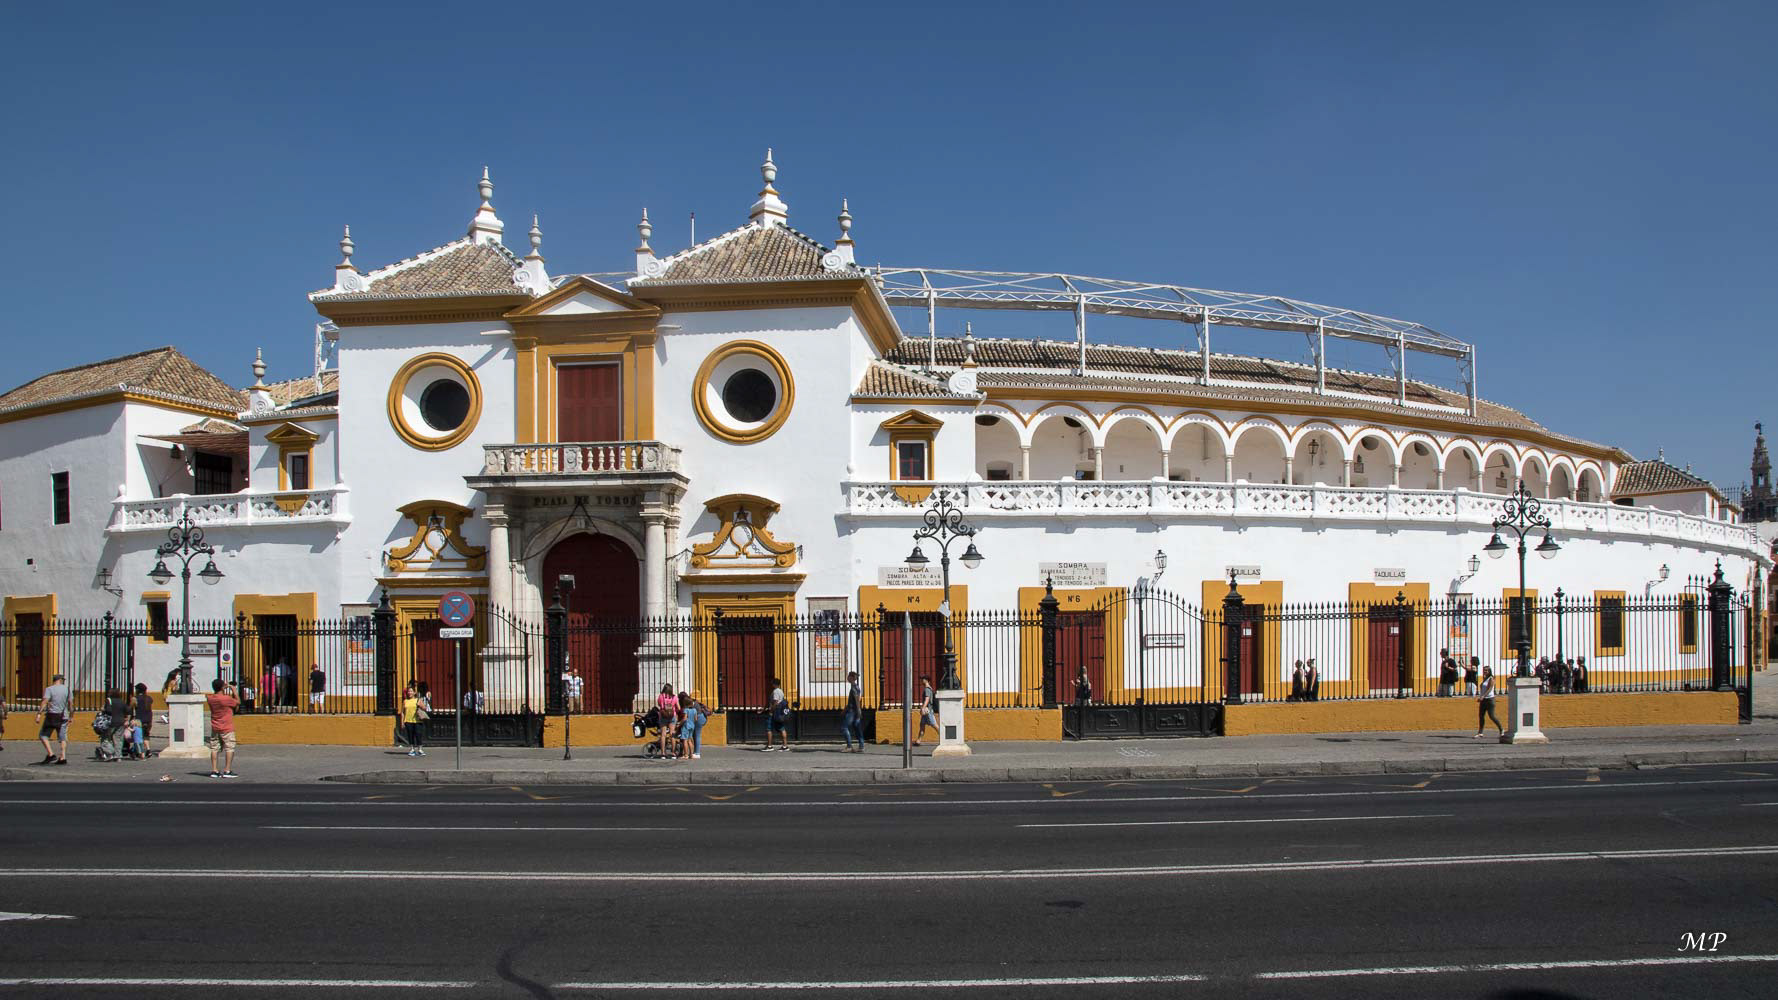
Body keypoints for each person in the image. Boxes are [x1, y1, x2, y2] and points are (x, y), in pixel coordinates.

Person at [205, 678, 240, 777]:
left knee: (214, 748)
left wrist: (224, 687)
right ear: (222, 687)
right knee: (229, 748)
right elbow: (238, 702)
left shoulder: (210, 698)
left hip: (215, 726)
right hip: (226, 727)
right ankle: (227, 770)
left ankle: (214, 770)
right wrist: (234, 690)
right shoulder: (226, 699)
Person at [35, 673, 71, 766]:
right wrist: (71, 717)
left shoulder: (49, 689)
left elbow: (44, 701)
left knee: (43, 735)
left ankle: (51, 754)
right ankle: (63, 757)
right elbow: (71, 704)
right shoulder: (67, 689)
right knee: (62, 737)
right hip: (64, 716)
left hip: (52, 716)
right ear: (61, 680)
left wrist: (39, 713)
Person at [95, 688, 129, 762]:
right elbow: (127, 710)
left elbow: (109, 711)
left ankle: (110, 753)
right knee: (118, 739)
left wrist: (103, 709)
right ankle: (118, 756)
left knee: (105, 739)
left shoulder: (109, 700)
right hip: (120, 722)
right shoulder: (122, 701)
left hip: (111, 722)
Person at [1475, 665, 1504, 738]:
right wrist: (1481, 697)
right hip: (1483, 700)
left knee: (1492, 716)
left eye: (1486, 670)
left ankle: (1501, 729)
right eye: (1484, 670)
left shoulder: (1491, 679)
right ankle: (1480, 732)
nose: (1485, 671)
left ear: (1489, 671)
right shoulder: (1485, 679)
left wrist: (1483, 696)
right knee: (1481, 716)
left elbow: (1490, 689)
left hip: (1490, 699)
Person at [763, 678, 791, 752]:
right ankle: (785, 746)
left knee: (769, 728)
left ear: (774, 684)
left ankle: (769, 746)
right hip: (779, 713)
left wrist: (771, 711)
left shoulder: (775, 691)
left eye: (772, 683)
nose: (771, 685)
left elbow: (775, 702)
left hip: (775, 712)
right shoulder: (781, 691)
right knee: (782, 728)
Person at [677, 690, 706, 760]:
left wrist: (679, 724)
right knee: (691, 739)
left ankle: (689, 754)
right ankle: (692, 754)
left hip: (687, 725)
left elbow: (684, 718)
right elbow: (695, 719)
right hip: (694, 723)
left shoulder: (686, 709)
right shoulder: (693, 706)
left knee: (686, 740)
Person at [841, 671, 865, 753]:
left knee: (844, 727)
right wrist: (845, 709)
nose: (847, 678)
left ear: (851, 677)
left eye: (848, 676)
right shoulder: (855, 686)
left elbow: (857, 700)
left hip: (852, 711)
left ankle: (849, 746)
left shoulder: (854, 687)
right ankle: (861, 746)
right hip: (853, 710)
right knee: (857, 728)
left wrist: (858, 711)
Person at [400, 683, 426, 757]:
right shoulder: (405, 701)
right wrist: (402, 722)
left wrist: (421, 706)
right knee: (410, 735)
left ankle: (420, 749)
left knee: (418, 734)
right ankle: (412, 749)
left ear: (414, 692)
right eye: (408, 691)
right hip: (408, 720)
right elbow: (402, 712)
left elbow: (424, 708)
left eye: (411, 691)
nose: (409, 693)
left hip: (417, 720)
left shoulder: (418, 700)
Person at [655, 683, 678, 759]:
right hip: (672, 716)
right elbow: (678, 707)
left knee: (663, 735)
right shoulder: (674, 697)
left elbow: (659, 704)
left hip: (663, 716)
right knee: (672, 734)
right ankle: (673, 753)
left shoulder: (661, 696)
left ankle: (663, 753)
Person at [916, 677, 938, 746]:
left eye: (923, 679)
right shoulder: (929, 689)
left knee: (934, 725)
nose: (922, 680)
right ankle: (918, 740)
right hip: (926, 711)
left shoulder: (927, 689)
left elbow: (927, 699)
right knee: (922, 725)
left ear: (927, 680)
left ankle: (945, 738)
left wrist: (923, 707)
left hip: (928, 711)